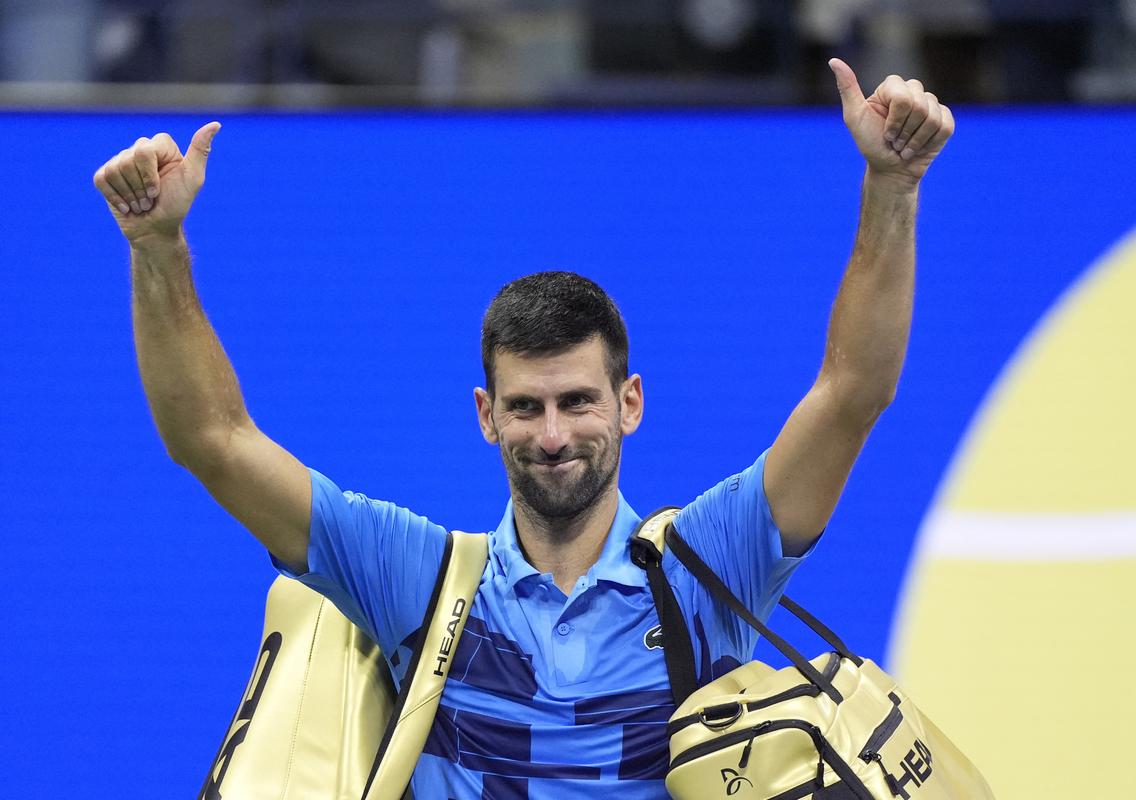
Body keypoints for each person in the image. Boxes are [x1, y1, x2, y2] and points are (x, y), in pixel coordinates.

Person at [94, 58, 953, 799]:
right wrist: (156, 246)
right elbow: (212, 438)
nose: (552, 435)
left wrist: (891, 188)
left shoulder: (710, 566)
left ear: (630, 403)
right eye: (526, 407)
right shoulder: (416, 580)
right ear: (485, 416)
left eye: (579, 401)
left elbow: (851, 394)